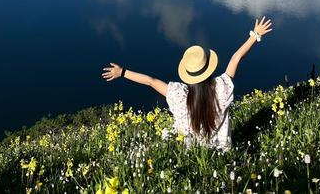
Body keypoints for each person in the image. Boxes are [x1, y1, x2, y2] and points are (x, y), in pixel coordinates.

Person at [102, 16, 273, 150]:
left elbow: (151, 81)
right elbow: (236, 58)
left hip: (191, 151)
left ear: (188, 74)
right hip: (222, 149)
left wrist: (122, 72)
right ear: (209, 68)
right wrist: (255, 34)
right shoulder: (222, 88)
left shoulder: (178, 95)